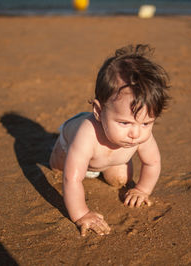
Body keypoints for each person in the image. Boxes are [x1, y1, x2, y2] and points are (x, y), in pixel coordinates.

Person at [49, 44, 170, 236]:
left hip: (107, 157)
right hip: (68, 147)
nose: (136, 134)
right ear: (98, 111)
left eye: (146, 123)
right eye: (124, 123)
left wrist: (142, 189)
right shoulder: (86, 134)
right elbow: (71, 180)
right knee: (58, 168)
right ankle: (59, 150)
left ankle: (107, 164)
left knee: (121, 180)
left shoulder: (138, 132)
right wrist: (81, 214)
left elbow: (152, 162)